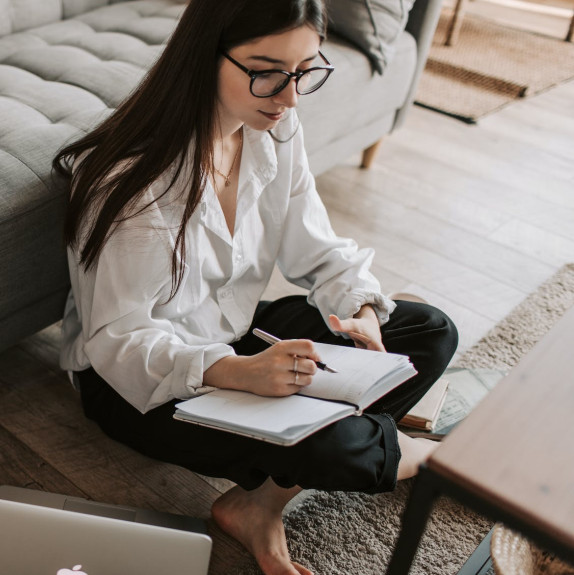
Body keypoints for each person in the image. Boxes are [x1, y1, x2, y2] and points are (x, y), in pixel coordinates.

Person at [51, 0, 459, 573]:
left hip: (236, 332)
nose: (289, 96)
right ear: (204, 55)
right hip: (139, 382)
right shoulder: (133, 180)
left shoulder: (274, 127)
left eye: (304, 71)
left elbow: (316, 247)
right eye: (266, 71)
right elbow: (118, 340)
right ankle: (427, 456)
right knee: (338, 447)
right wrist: (238, 373)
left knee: (429, 332)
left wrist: (362, 310)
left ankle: (258, 504)